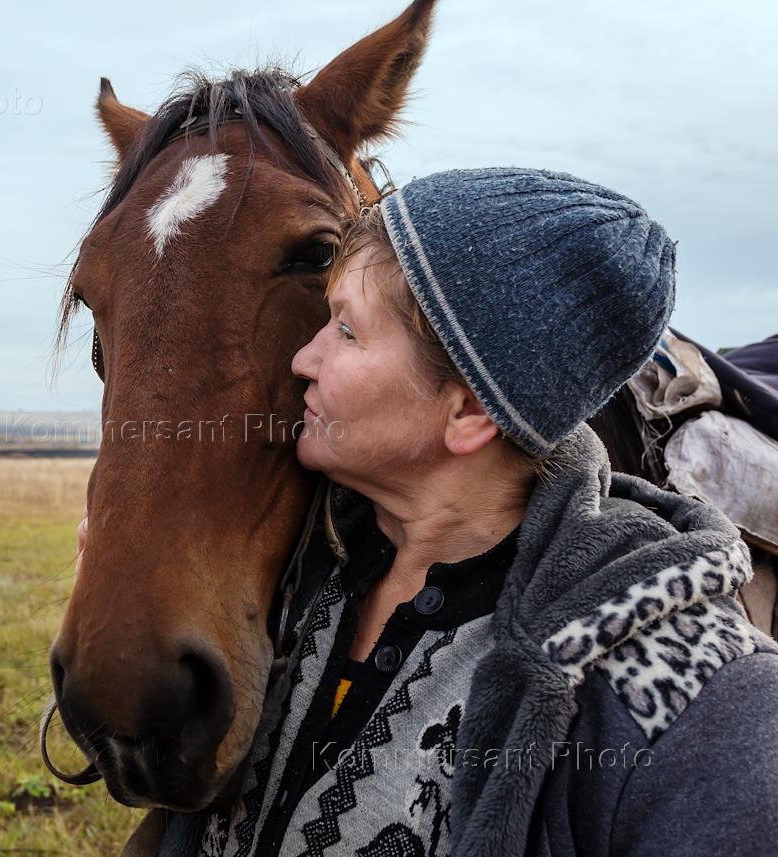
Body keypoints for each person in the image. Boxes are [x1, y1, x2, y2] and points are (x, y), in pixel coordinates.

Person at [77, 168, 778, 856]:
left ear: (468, 409)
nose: (303, 359)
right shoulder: (302, 565)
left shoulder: (696, 703)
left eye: (346, 331)